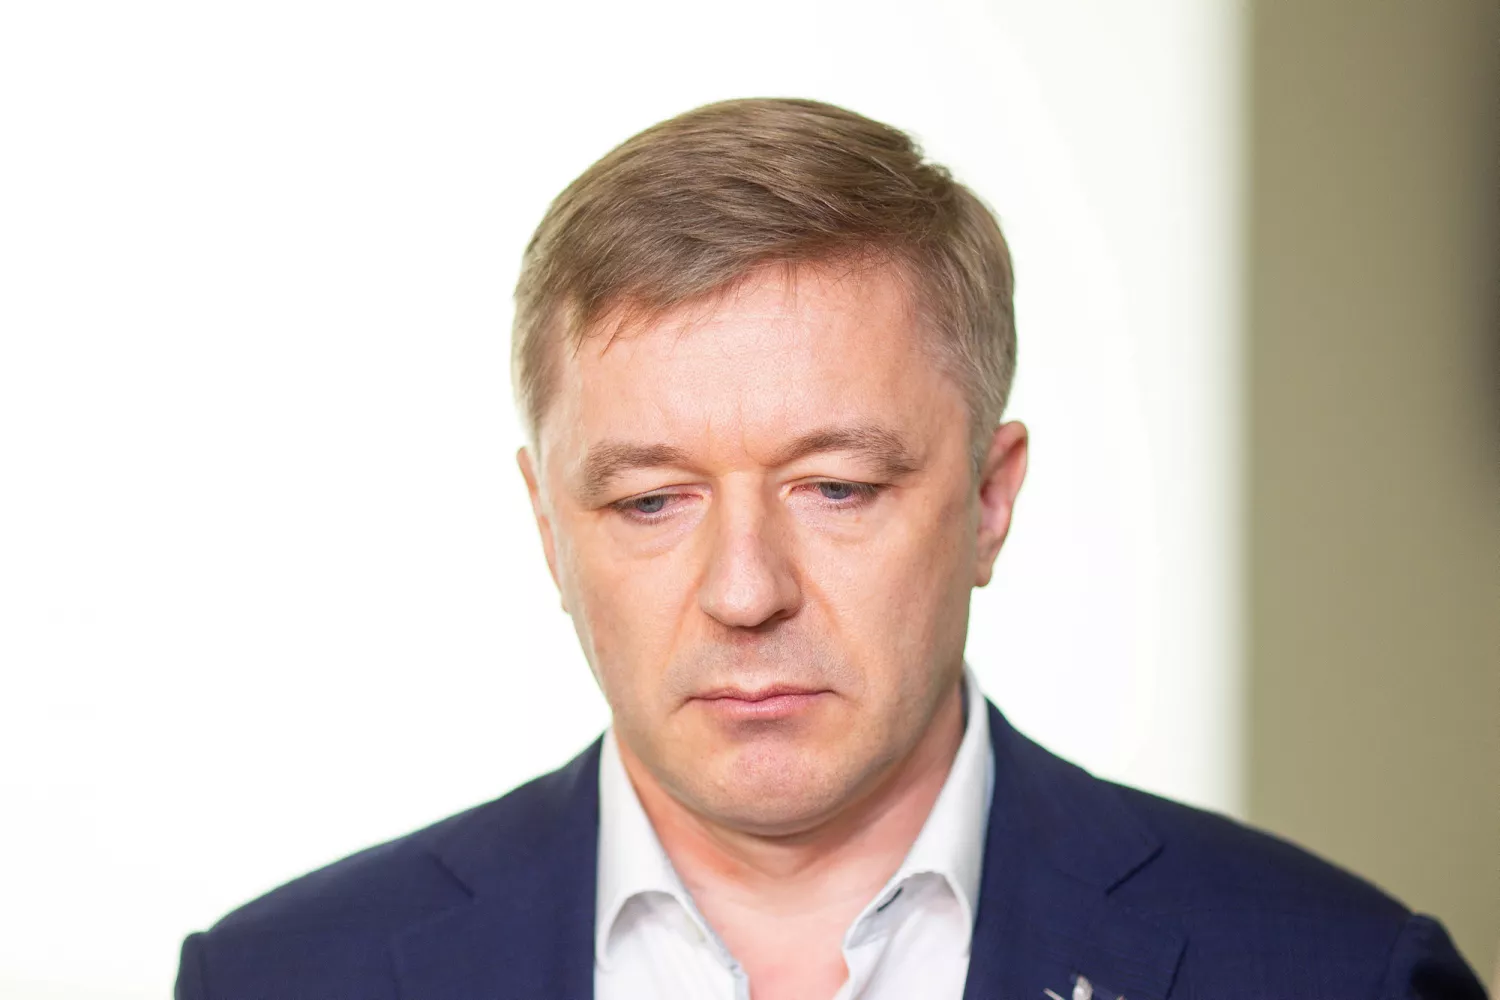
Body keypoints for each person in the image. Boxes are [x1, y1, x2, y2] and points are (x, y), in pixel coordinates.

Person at [174, 98, 1484, 1000]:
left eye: (837, 488)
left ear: (989, 498)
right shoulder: (285, 980)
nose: (746, 591)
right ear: (547, 530)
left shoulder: (1336, 975)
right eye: (651, 502)